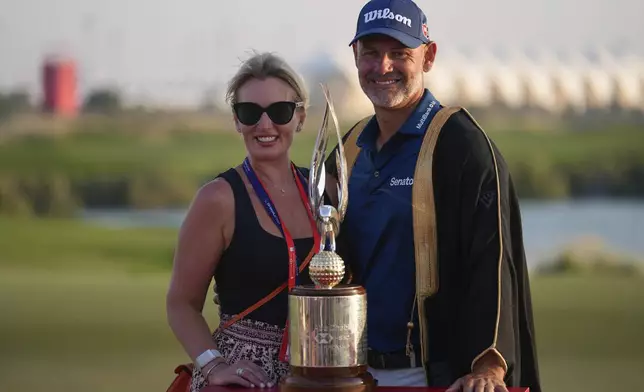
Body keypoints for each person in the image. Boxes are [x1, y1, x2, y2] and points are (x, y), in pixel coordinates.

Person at [325, 1, 542, 391]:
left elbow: (491, 260)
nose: (383, 67)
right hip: (352, 374)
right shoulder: (349, 147)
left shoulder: (463, 146)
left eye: (399, 54)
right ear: (355, 57)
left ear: (429, 57)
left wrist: (488, 366)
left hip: (433, 375)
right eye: (371, 53)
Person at [166, 51, 329, 391]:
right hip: (243, 379)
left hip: (315, 373)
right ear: (236, 120)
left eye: (280, 111)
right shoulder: (218, 199)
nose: (264, 125)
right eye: (250, 112)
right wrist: (214, 366)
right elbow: (181, 303)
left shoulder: (323, 191)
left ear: (299, 117)